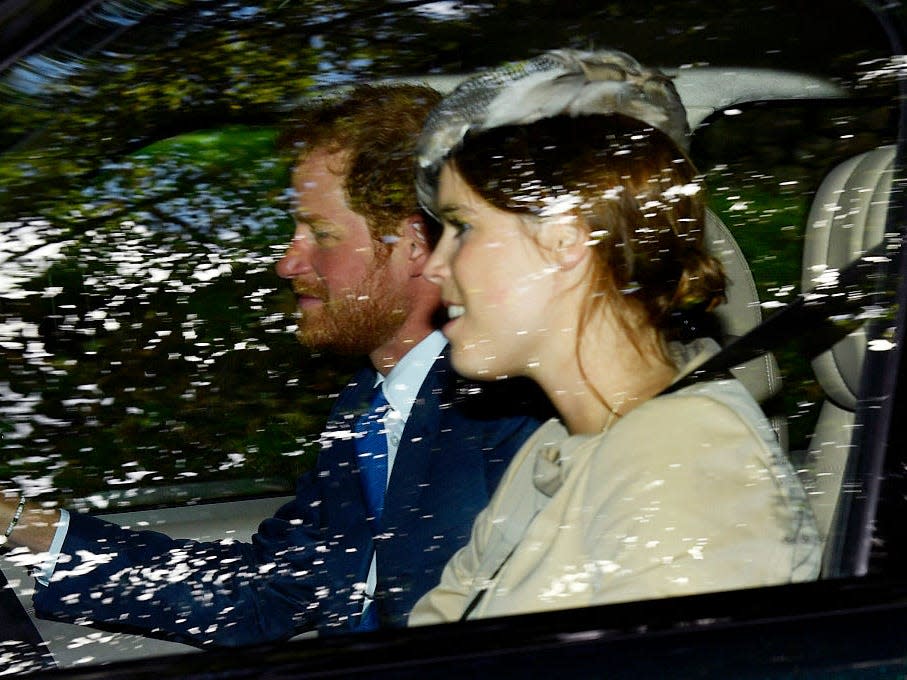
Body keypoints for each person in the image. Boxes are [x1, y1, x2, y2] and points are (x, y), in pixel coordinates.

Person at [0, 84, 547, 646]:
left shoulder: (514, 412)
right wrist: (22, 525)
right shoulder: (368, 408)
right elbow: (262, 594)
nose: (288, 262)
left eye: (322, 234)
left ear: (412, 243)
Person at [407, 49, 821, 625]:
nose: (433, 267)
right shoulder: (558, 449)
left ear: (566, 237)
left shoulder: (685, 464)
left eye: (462, 227)